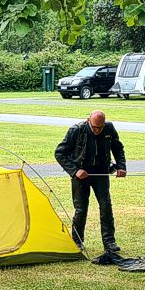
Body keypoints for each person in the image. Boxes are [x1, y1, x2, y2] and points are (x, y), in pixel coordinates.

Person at [54, 110, 128, 262]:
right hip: (81, 174)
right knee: (81, 209)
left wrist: (121, 166)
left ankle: (109, 243)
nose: (97, 131)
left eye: (100, 128)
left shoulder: (109, 128)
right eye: (94, 127)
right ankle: (77, 241)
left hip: (101, 173)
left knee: (106, 206)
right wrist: (75, 171)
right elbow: (60, 152)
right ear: (88, 121)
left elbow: (118, 148)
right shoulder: (77, 130)